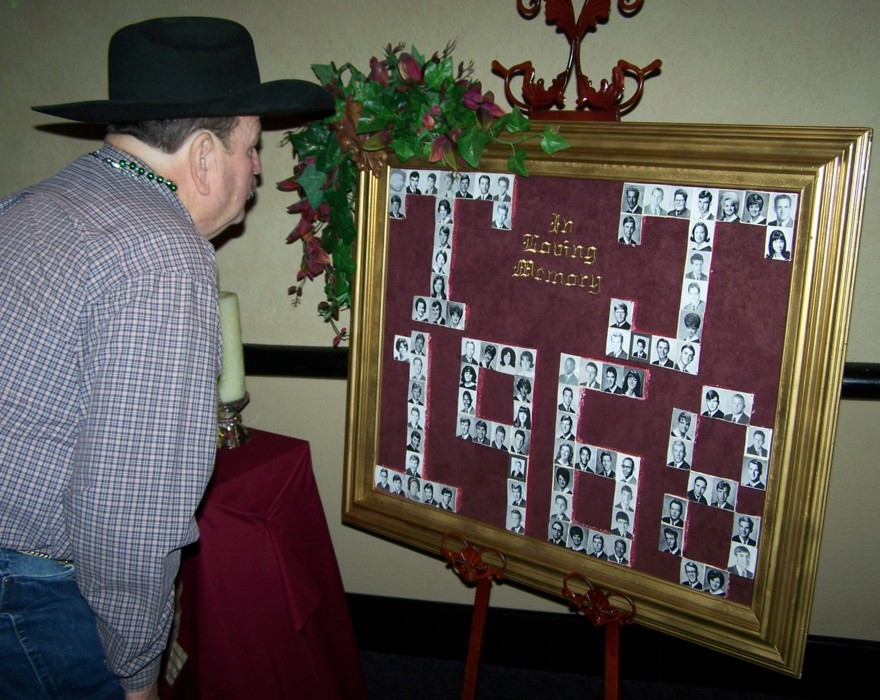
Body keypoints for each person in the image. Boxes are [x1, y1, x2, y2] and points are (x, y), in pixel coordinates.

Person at [0, 16, 334, 699]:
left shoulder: (34, 204)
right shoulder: (161, 253)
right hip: (34, 597)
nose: (260, 168)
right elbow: (128, 514)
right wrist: (137, 671)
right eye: (252, 145)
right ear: (205, 155)